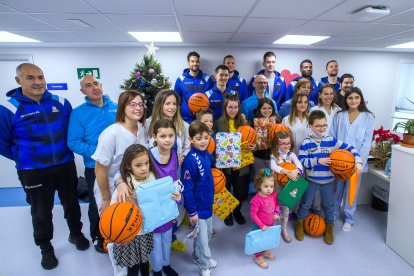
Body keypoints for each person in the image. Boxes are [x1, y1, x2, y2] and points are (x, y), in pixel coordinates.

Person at [0, 63, 89, 270]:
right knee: (41, 210)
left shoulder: (60, 102)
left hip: (65, 164)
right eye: (31, 78)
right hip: (33, 170)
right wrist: (23, 157)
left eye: (41, 77)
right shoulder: (8, 108)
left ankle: (76, 233)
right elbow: (3, 142)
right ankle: (45, 246)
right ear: (18, 80)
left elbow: (71, 130)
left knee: (72, 204)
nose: (38, 82)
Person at [296, 110, 363, 245]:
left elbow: (351, 148)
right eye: (318, 126)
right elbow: (301, 162)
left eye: (324, 125)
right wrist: (317, 161)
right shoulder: (306, 143)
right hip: (311, 180)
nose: (322, 129)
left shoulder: (332, 141)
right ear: (310, 126)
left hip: (328, 181)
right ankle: (299, 224)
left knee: (328, 205)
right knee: (305, 204)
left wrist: (358, 161)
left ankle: (329, 229)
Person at [67, 75, 117, 253]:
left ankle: (118, 230)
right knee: (98, 203)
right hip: (94, 167)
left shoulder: (116, 107)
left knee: (119, 199)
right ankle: (98, 235)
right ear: (83, 91)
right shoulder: (78, 113)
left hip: (118, 166)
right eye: (88, 85)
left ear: (101, 85)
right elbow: (73, 141)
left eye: (96, 83)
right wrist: (98, 153)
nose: (94, 87)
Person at [93, 90, 147, 214]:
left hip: (131, 188)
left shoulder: (142, 129)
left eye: (140, 104)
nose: (138, 108)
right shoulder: (111, 134)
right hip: (110, 188)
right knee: (114, 228)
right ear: (123, 107)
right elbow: (100, 169)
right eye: (132, 105)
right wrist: (106, 198)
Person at [331, 87, 375, 232]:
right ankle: (334, 212)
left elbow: (367, 142)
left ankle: (349, 218)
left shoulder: (368, 117)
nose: (353, 100)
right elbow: (333, 137)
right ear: (346, 100)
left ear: (361, 99)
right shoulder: (339, 115)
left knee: (352, 191)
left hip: (357, 163)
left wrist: (359, 161)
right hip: (340, 160)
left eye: (356, 97)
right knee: (337, 190)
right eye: (350, 98)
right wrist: (335, 157)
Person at [107, 145, 155, 276]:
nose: (144, 168)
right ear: (129, 166)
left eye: (146, 163)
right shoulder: (123, 187)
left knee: (145, 261)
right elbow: (115, 213)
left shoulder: (151, 178)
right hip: (130, 234)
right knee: (133, 266)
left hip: (145, 230)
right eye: (138, 165)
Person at [181, 121, 217, 276]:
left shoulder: (206, 154)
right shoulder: (190, 160)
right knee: (203, 239)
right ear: (191, 140)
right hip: (197, 207)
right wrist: (192, 211)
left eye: (206, 137)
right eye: (199, 138)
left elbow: (207, 179)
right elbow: (187, 188)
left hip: (207, 203)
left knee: (205, 234)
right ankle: (204, 265)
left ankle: (197, 256)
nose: (203, 141)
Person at [149, 119, 182, 276]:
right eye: (163, 136)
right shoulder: (148, 156)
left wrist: (178, 195)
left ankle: (166, 264)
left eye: (171, 135)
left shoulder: (174, 154)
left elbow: (175, 180)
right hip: (154, 208)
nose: (168, 139)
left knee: (167, 239)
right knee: (155, 241)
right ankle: (156, 270)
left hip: (168, 206)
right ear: (154, 137)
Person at [215, 95, 254, 226]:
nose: (233, 110)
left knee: (240, 190)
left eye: (236, 107)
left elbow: (251, 139)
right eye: (230, 107)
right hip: (225, 165)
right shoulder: (219, 122)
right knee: (225, 189)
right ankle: (228, 213)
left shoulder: (243, 122)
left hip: (241, 164)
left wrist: (252, 146)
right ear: (225, 108)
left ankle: (237, 211)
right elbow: (214, 142)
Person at [270, 131, 303, 243]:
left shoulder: (291, 155)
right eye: (283, 143)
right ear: (276, 144)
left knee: (285, 209)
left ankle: (284, 230)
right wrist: (285, 171)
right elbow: (273, 167)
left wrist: (295, 171)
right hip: (275, 187)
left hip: (288, 187)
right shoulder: (274, 156)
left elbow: (300, 166)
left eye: (288, 143)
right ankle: (272, 229)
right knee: (273, 209)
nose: (286, 146)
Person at [147, 89, 190, 166]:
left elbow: (188, 147)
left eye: (174, 104)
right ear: (160, 105)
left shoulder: (184, 126)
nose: (172, 107)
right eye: (168, 104)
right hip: (153, 168)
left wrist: (184, 156)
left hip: (175, 168)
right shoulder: (148, 124)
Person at [249, 168, 281, 269]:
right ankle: (258, 256)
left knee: (267, 239)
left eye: (271, 186)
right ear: (259, 185)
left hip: (270, 224)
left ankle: (265, 250)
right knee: (259, 241)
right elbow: (253, 215)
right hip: (260, 226)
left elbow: (277, 205)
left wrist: (276, 212)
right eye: (266, 186)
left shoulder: (273, 195)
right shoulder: (256, 200)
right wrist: (261, 225)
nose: (269, 189)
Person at [174, 51, 213, 124]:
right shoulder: (180, 80)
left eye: (197, 61)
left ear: (199, 63)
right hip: (185, 119)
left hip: (203, 119)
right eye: (192, 61)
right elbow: (177, 101)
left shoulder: (207, 79)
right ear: (188, 62)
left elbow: (211, 99)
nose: (195, 63)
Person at [252, 97, 282, 175]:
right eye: (264, 108)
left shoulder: (278, 121)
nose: (267, 111)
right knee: (260, 180)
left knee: (271, 180)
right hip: (259, 157)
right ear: (259, 109)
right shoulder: (254, 123)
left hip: (273, 158)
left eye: (269, 108)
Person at [282, 92, 310, 156]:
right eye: (300, 102)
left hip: (309, 156)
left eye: (305, 102)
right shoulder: (286, 120)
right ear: (294, 104)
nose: (303, 105)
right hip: (292, 156)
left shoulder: (311, 119)